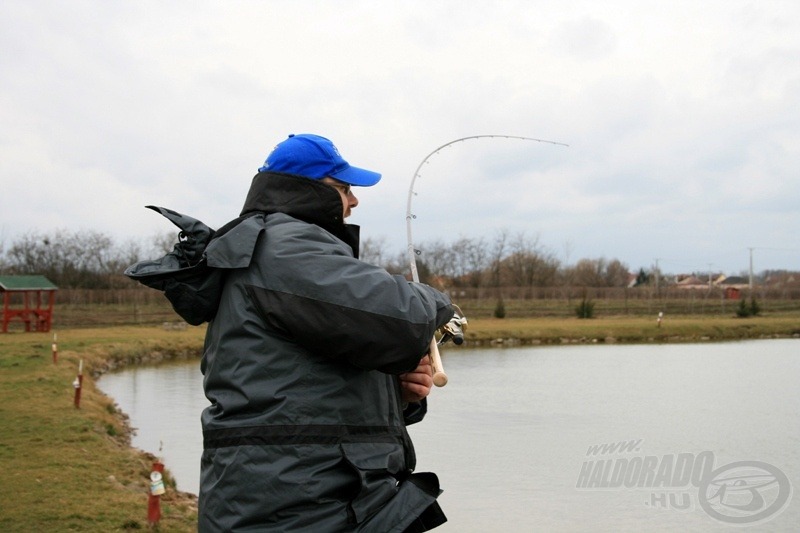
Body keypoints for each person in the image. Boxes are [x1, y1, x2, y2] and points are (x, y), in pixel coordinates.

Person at [153, 133, 454, 531]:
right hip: (297, 509)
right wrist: (435, 301)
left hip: (302, 499)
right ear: (309, 188)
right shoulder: (285, 247)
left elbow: (295, 391)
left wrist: (395, 395)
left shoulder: (274, 248)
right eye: (345, 187)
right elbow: (401, 320)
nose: (354, 200)